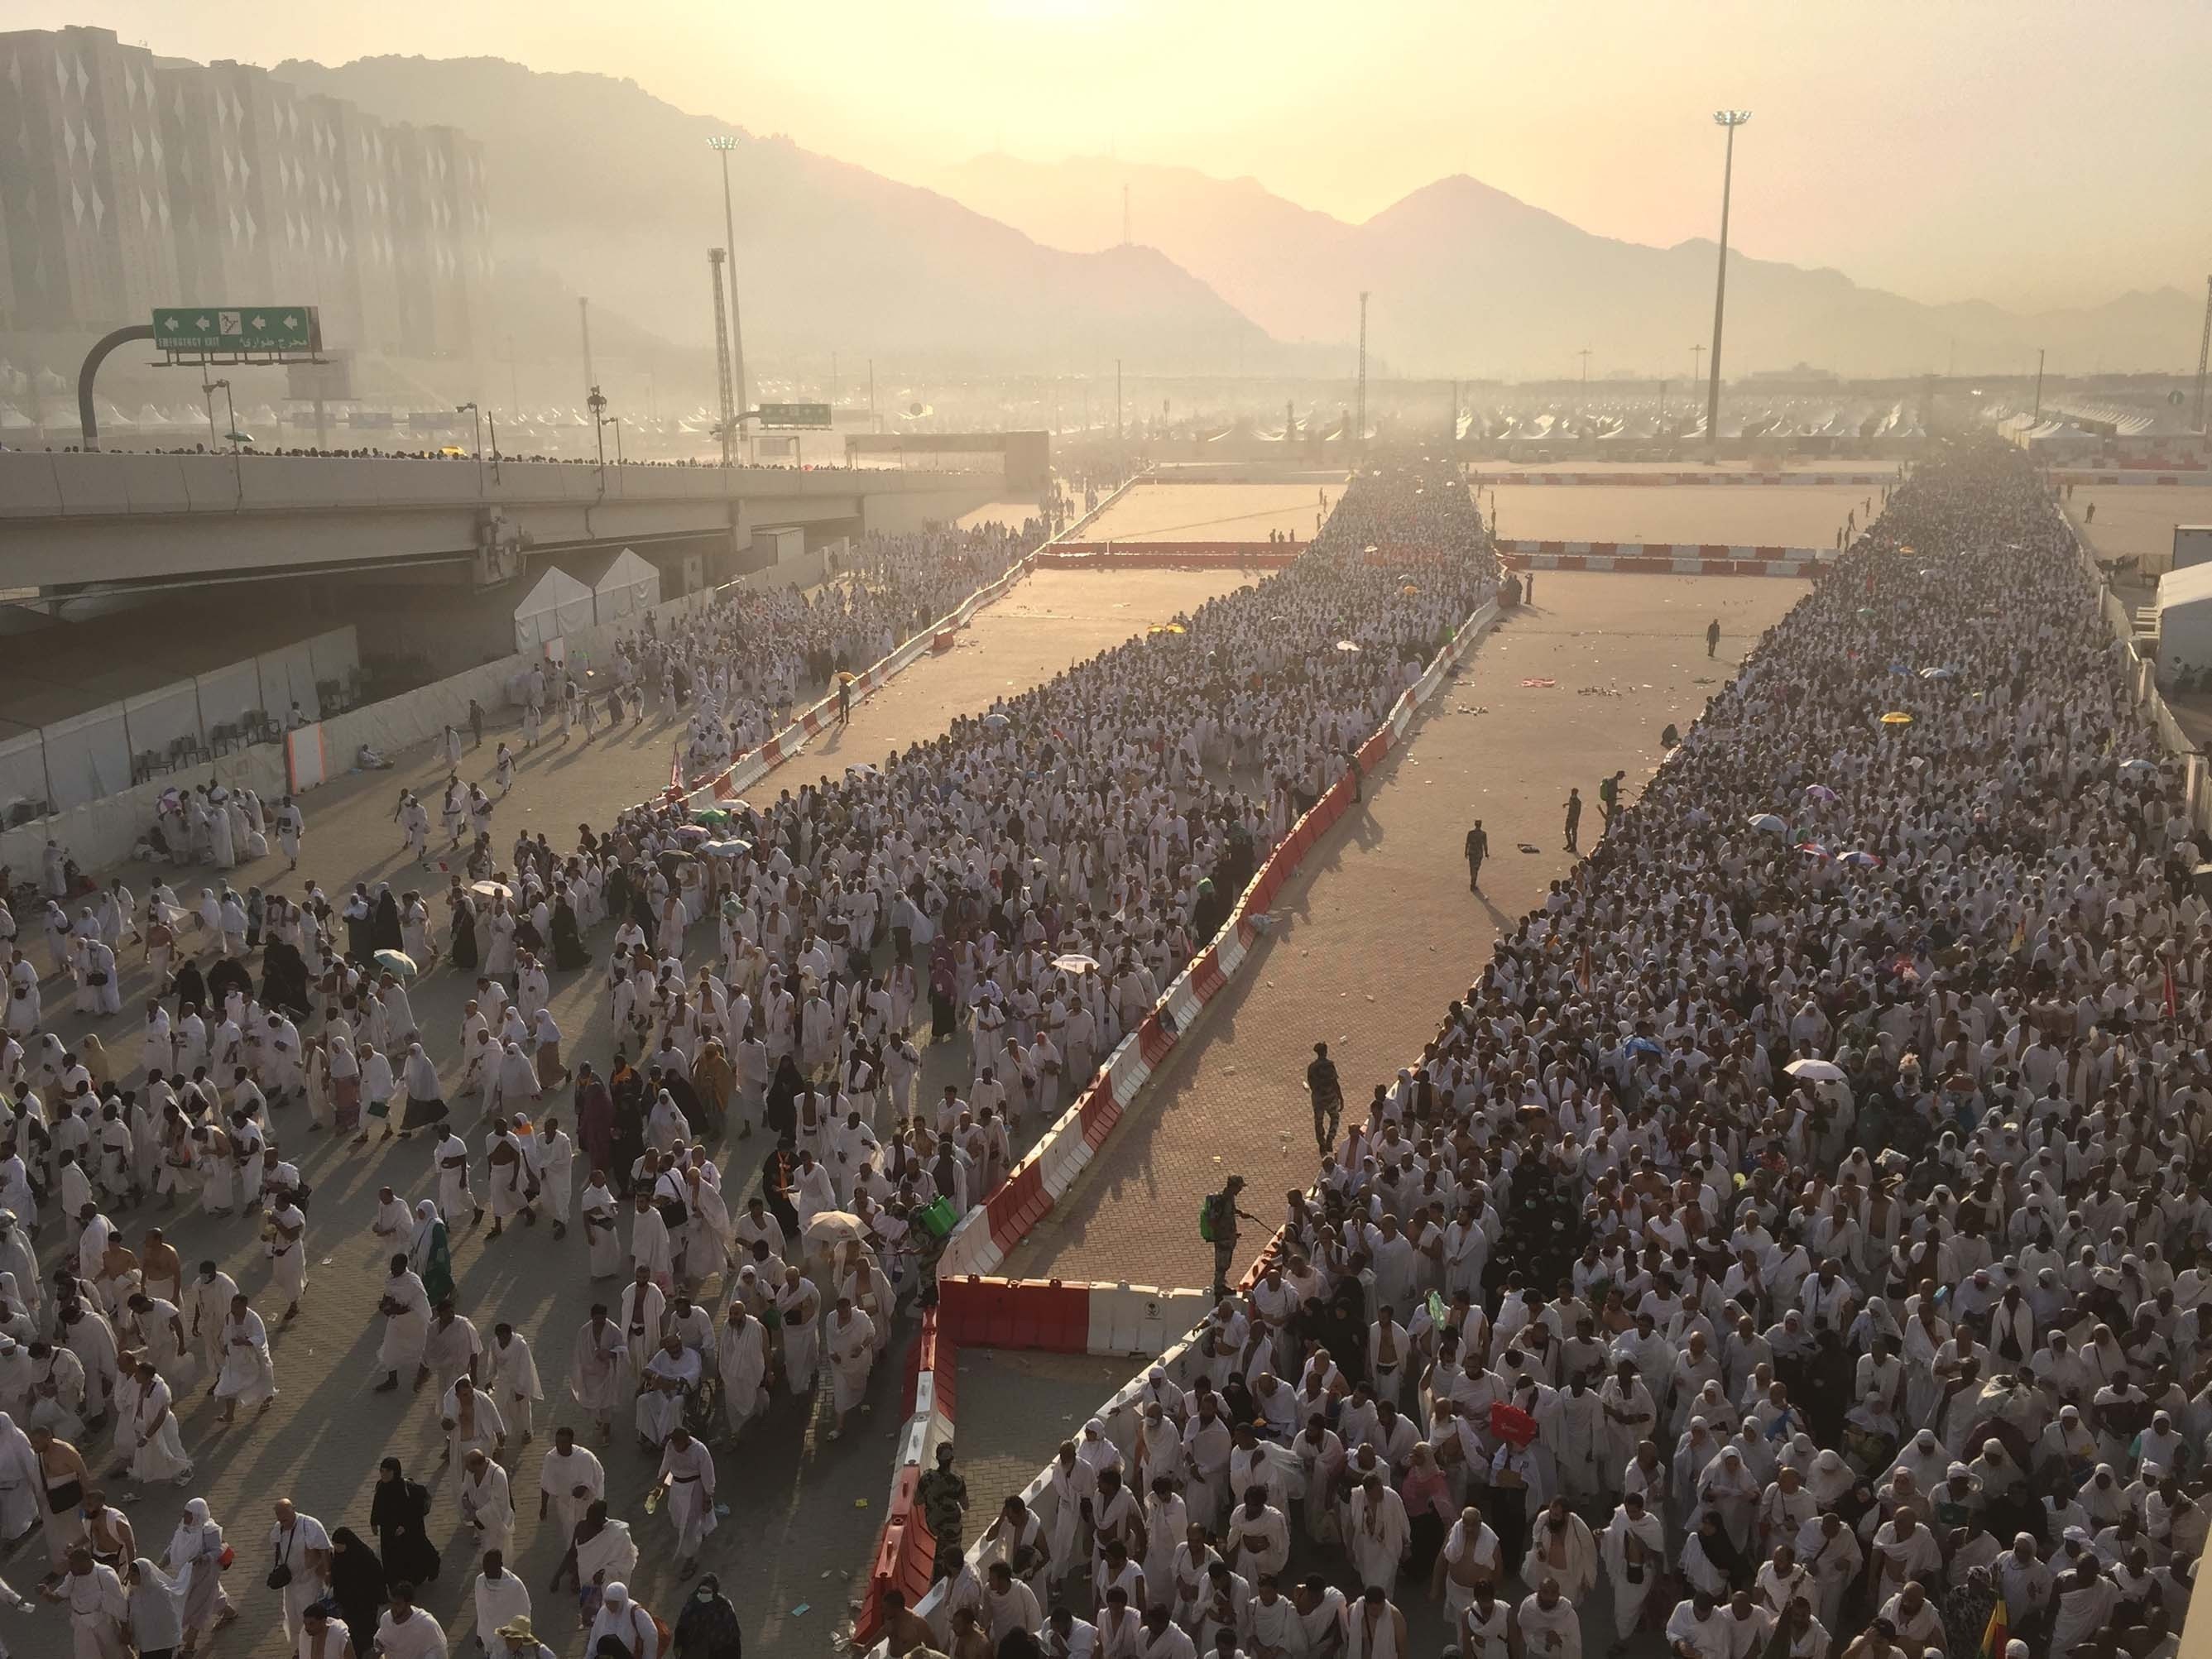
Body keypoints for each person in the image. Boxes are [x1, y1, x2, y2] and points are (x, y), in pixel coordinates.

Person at [266, 1499, 332, 1646]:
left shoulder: (310, 1525)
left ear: (293, 1509)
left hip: (310, 1581)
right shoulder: (278, 1528)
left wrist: (328, 1572)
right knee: (293, 1616)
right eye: (279, 1516)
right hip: (290, 1582)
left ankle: (315, 1645)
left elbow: (324, 1549)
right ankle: (301, 1647)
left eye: (285, 1515)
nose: (283, 1520)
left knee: (309, 1615)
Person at [326, 1527, 386, 1658]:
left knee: (365, 1630)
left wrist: (379, 1596)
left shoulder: (364, 1555)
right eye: (335, 1544)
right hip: (348, 1604)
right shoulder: (339, 1557)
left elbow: (377, 1576)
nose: (337, 1548)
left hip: (365, 1603)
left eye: (339, 1545)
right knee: (353, 1632)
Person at [1202, 1176, 1260, 1303]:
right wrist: (1225, 1234)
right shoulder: (1221, 1201)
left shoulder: (1230, 1198)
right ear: (1233, 1186)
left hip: (1229, 1239)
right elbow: (1213, 1221)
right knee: (1221, 1266)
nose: (1240, 1190)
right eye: (1239, 1187)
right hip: (1223, 1240)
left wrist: (1240, 1213)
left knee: (1226, 1264)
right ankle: (1218, 1291)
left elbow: (1230, 1211)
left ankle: (1222, 1285)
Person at [671, 1572, 745, 1659]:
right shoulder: (692, 1602)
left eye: (707, 1592)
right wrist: (678, 1644)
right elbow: (682, 1625)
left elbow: (733, 1637)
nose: (704, 1594)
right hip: (694, 1650)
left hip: (718, 1652)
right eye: (702, 1591)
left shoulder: (723, 1607)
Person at [374, 1582, 449, 1659]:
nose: (393, 1609)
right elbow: (381, 1639)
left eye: (398, 1604)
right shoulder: (386, 1619)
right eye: (392, 1604)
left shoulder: (427, 1624)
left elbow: (438, 1650)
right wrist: (377, 1648)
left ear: (408, 1604)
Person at [1307, 1043, 1343, 1155]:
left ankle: (1321, 1143)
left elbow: (1311, 1083)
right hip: (1330, 1097)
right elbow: (1335, 1082)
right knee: (1335, 1117)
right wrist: (1340, 1097)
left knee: (1318, 1121)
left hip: (1318, 1099)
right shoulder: (1329, 1065)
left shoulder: (1312, 1067)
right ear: (1325, 1052)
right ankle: (1330, 1138)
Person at [1464, 820, 1489, 892]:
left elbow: (1467, 843)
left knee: (1472, 868)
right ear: (1481, 825)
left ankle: (1473, 883)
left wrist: (1465, 852)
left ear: (1475, 825)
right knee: (1476, 868)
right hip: (1479, 854)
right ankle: (1473, 884)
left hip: (1471, 853)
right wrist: (1486, 853)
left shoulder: (1470, 833)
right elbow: (1485, 844)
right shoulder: (1483, 834)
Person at [1562, 787, 1582, 852]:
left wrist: (1576, 820)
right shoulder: (1571, 798)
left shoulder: (1578, 802)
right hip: (1569, 817)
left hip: (1574, 819)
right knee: (1567, 831)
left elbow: (1578, 812)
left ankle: (1574, 847)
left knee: (1574, 833)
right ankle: (1569, 843)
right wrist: (1566, 804)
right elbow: (1570, 804)